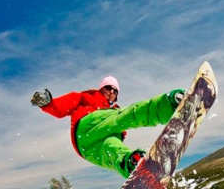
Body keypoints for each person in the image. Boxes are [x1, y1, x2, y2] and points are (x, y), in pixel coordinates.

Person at [31, 76, 184, 177]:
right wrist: (49, 103)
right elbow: (64, 105)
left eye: (114, 91)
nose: (111, 92)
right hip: (88, 125)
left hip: (87, 150)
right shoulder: (89, 97)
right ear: (101, 89)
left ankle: (133, 165)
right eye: (108, 88)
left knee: (113, 151)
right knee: (131, 114)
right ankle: (170, 104)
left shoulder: (113, 110)